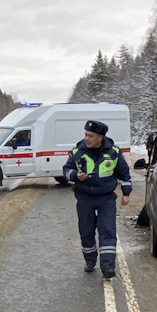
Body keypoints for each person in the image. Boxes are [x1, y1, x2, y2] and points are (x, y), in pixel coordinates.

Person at [63, 118, 132, 279]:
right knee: (86, 232)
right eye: (86, 135)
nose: (87, 138)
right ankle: (90, 260)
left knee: (107, 230)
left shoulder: (114, 152)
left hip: (106, 198)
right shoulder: (77, 152)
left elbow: (124, 173)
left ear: (100, 137)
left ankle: (108, 267)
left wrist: (126, 192)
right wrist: (75, 175)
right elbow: (66, 170)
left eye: (91, 136)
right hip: (85, 197)